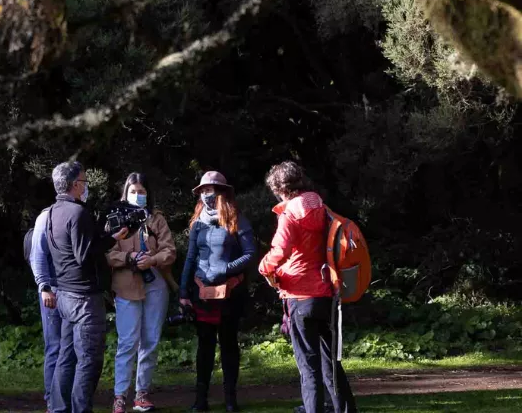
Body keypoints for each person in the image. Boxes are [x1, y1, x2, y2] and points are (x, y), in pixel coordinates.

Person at [258, 162, 357, 413]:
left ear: (280, 188)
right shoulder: (321, 208)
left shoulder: (290, 213)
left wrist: (264, 267)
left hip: (299, 296)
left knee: (308, 367)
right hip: (325, 293)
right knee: (330, 363)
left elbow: (280, 251)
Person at [47, 161, 130, 413]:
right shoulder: (78, 213)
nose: (86, 187)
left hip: (64, 293)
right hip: (84, 298)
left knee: (67, 357)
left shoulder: (53, 211)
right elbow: (84, 254)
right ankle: (81, 409)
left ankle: (59, 408)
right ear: (74, 185)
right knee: (89, 361)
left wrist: (108, 238)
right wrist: (109, 242)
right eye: (84, 182)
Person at [179, 171, 257, 413]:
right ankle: (200, 400)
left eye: (210, 190)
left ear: (222, 193)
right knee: (205, 346)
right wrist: (183, 292)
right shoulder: (198, 223)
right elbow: (190, 257)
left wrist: (225, 269)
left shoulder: (237, 220)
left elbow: (250, 254)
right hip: (201, 294)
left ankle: (230, 400)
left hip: (229, 294)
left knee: (228, 345)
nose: (206, 194)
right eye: (202, 190)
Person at [106, 173, 176, 413]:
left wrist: (153, 259)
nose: (138, 195)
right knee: (127, 342)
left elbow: (170, 250)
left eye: (142, 191)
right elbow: (106, 253)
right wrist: (129, 257)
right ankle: (119, 396)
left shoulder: (156, 219)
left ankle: (142, 394)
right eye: (134, 191)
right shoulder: (115, 218)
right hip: (126, 285)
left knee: (150, 341)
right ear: (125, 192)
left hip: (155, 283)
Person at [28, 203, 61, 413]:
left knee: (69, 348)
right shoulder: (46, 217)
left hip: (71, 291)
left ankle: (63, 398)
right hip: (52, 290)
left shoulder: (77, 213)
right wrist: (44, 287)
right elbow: (37, 256)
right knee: (55, 346)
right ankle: (51, 400)